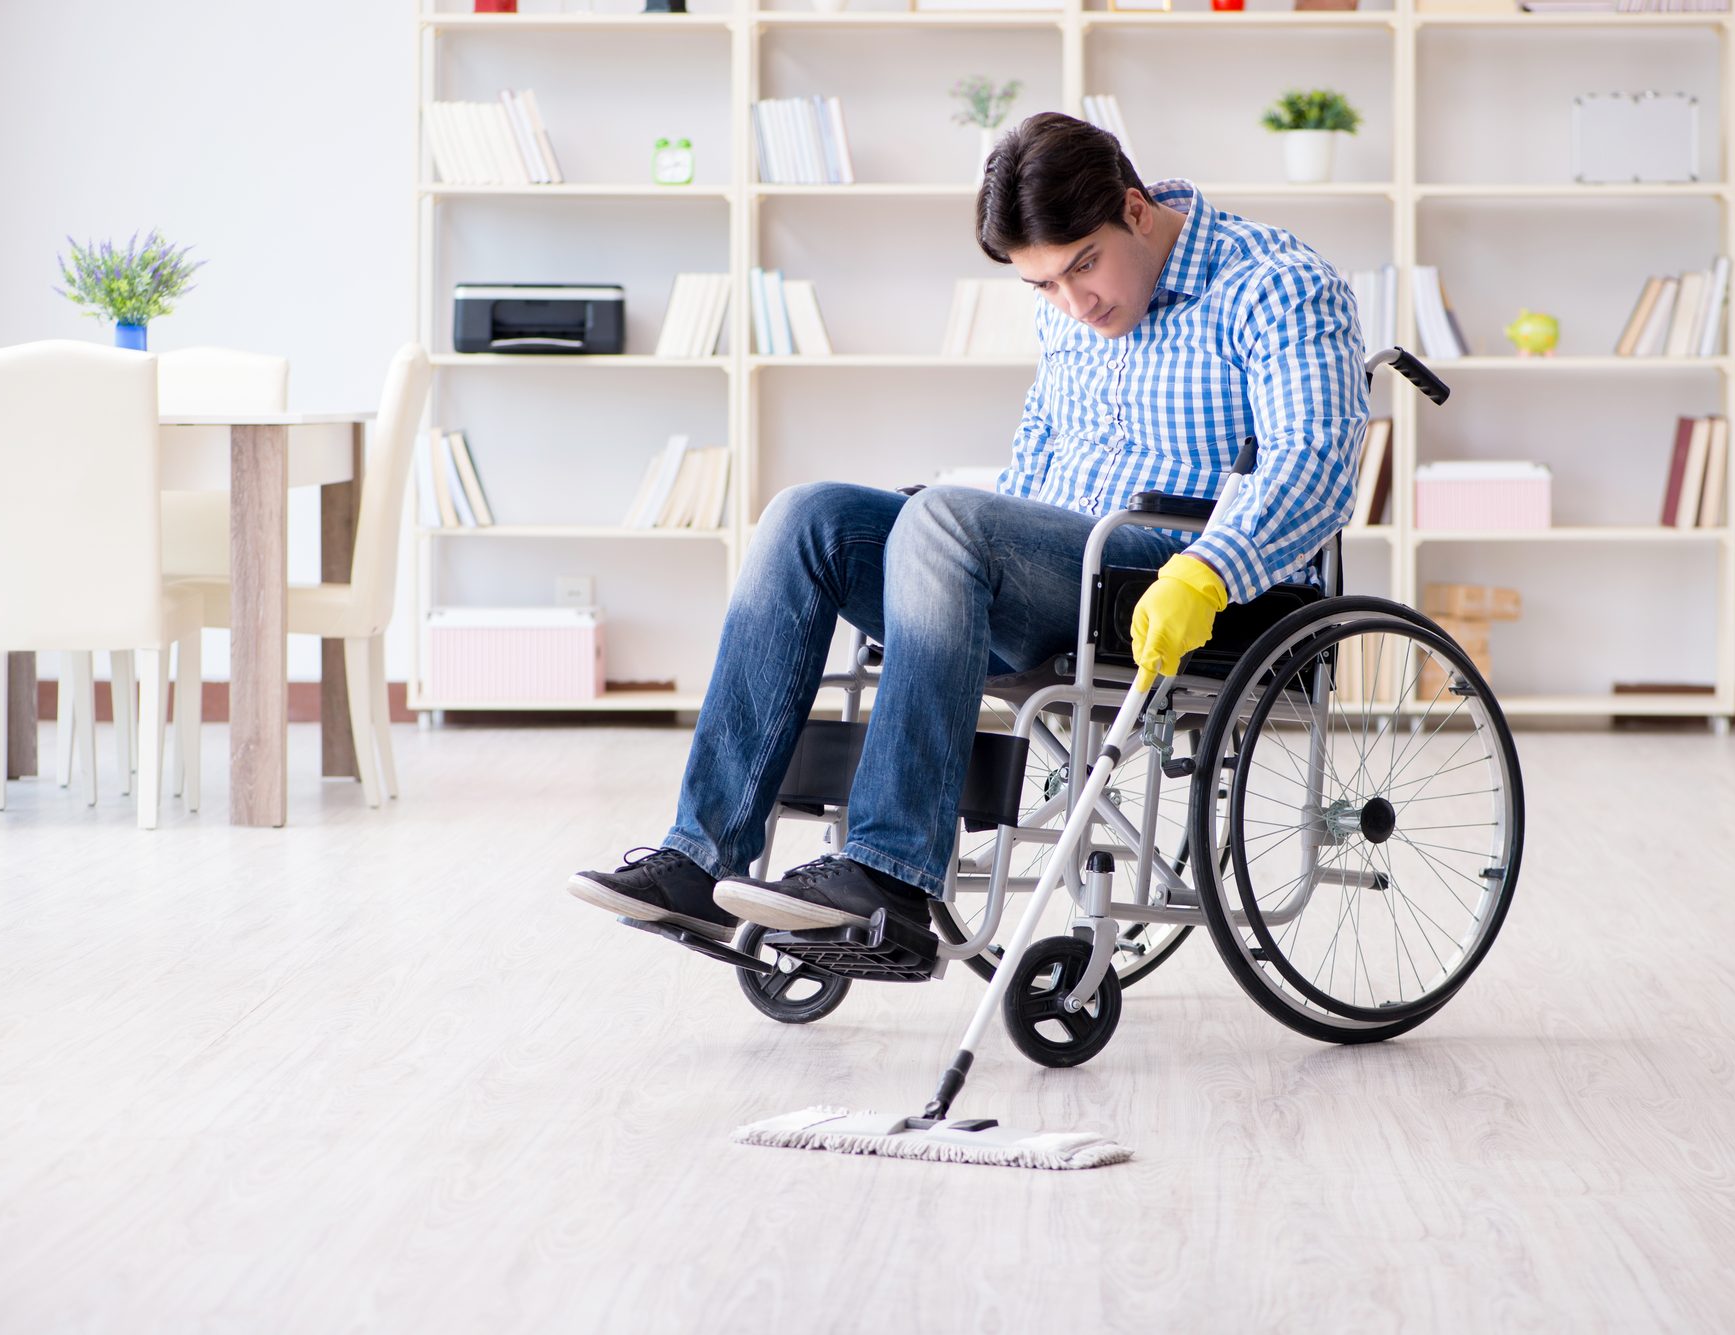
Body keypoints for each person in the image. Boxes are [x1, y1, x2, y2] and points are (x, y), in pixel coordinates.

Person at [567, 111, 1369, 945]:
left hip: (1176, 577)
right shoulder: (1066, 310)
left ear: (1134, 209)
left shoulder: (1275, 283)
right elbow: (1032, 468)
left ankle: (889, 873)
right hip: (1047, 572)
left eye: (1082, 267)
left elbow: (1315, 462)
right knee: (806, 517)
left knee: (945, 519)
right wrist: (955, 538)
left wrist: (1211, 569)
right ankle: (701, 858)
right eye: (1043, 286)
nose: (1072, 302)